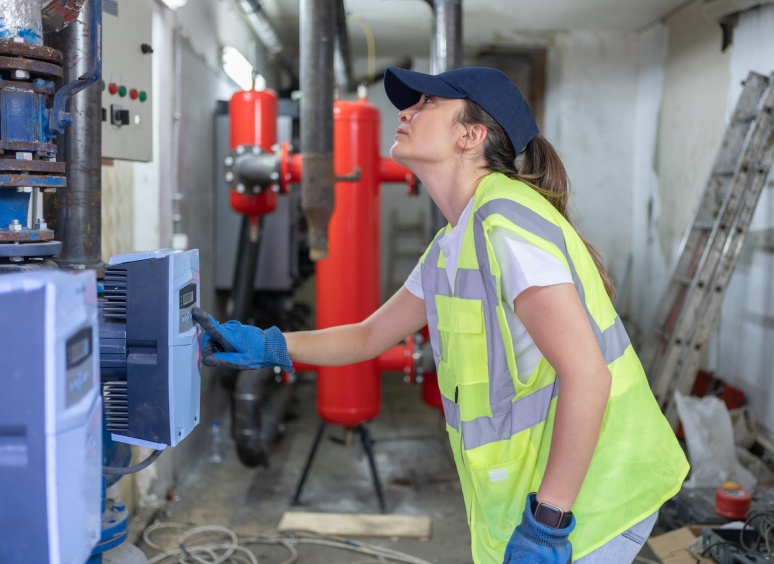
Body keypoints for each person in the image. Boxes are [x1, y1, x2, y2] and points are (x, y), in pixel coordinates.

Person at [193, 66, 689, 564]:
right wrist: (272, 346)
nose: (405, 112)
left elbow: (588, 377)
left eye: (427, 103)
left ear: (471, 135)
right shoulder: (454, 243)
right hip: (534, 496)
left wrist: (548, 523)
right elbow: (369, 336)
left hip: (594, 495)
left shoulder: (506, 223)